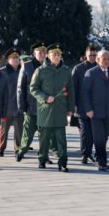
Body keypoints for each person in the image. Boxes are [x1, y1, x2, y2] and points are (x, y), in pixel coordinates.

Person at [30, 44, 74, 172]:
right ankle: (42, 160)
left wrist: (70, 108)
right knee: (44, 137)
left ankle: (63, 163)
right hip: (46, 109)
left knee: (61, 138)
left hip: (60, 108)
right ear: (48, 56)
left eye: (58, 54)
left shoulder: (66, 71)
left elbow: (71, 91)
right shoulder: (41, 70)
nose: (56, 57)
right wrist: (44, 97)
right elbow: (33, 88)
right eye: (54, 54)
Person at [81, 50, 109, 171]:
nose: (107, 61)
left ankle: (98, 157)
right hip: (95, 111)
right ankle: (102, 162)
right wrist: (88, 109)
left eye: (108, 59)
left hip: (108, 111)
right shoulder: (91, 73)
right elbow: (85, 92)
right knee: (98, 137)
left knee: (104, 137)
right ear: (98, 60)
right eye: (104, 59)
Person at [16, 42, 57, 162]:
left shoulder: (51, 66)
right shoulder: (27, 66)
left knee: (45, 134)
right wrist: (21, 104)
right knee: (28, 132)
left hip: (46, 106)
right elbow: (20, 87)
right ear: (35, 54)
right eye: (40, 52)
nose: (43, 55)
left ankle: (44, 156)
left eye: (45, 52)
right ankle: (22, 151)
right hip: (31, 105)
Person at [72, 46, 98, 164]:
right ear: (85, 55)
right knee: (84, 130)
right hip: (82, 105)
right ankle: (84, 154)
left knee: (93, 131)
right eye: (90, 55)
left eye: (94, 55)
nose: (92, 57)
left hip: (96, 105)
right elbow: (74, 88)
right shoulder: (78, 69)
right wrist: (74, 104)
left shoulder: (99, 68)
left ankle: (90, 153)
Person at [0, 47, 23, 157]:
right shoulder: (2, 71)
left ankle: (18, 150)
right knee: (4, 130)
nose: (15, 60)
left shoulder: (23, 69)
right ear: (8, 60)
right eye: (13, 58)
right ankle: (1, 148)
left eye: (17, 58)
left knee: (19, 131)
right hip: (6, 106)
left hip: (20, 105)